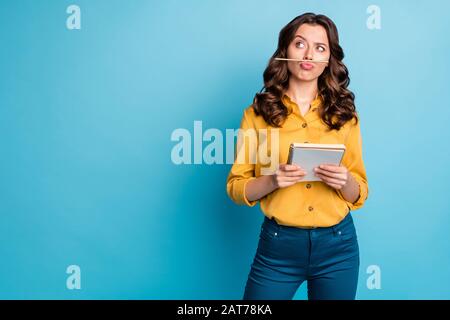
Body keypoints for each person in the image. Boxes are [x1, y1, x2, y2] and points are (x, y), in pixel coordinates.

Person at [226, 12, 369, 300]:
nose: (309, 54)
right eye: (300, 44)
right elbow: (237, 186)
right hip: (278, 248)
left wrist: (343, 181)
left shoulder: (345, 116)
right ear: (285, 51)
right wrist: (273, 180)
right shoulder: (257, 115)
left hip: (338, 247)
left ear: (329, 59)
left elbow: (359, 193)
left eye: (320, 48)